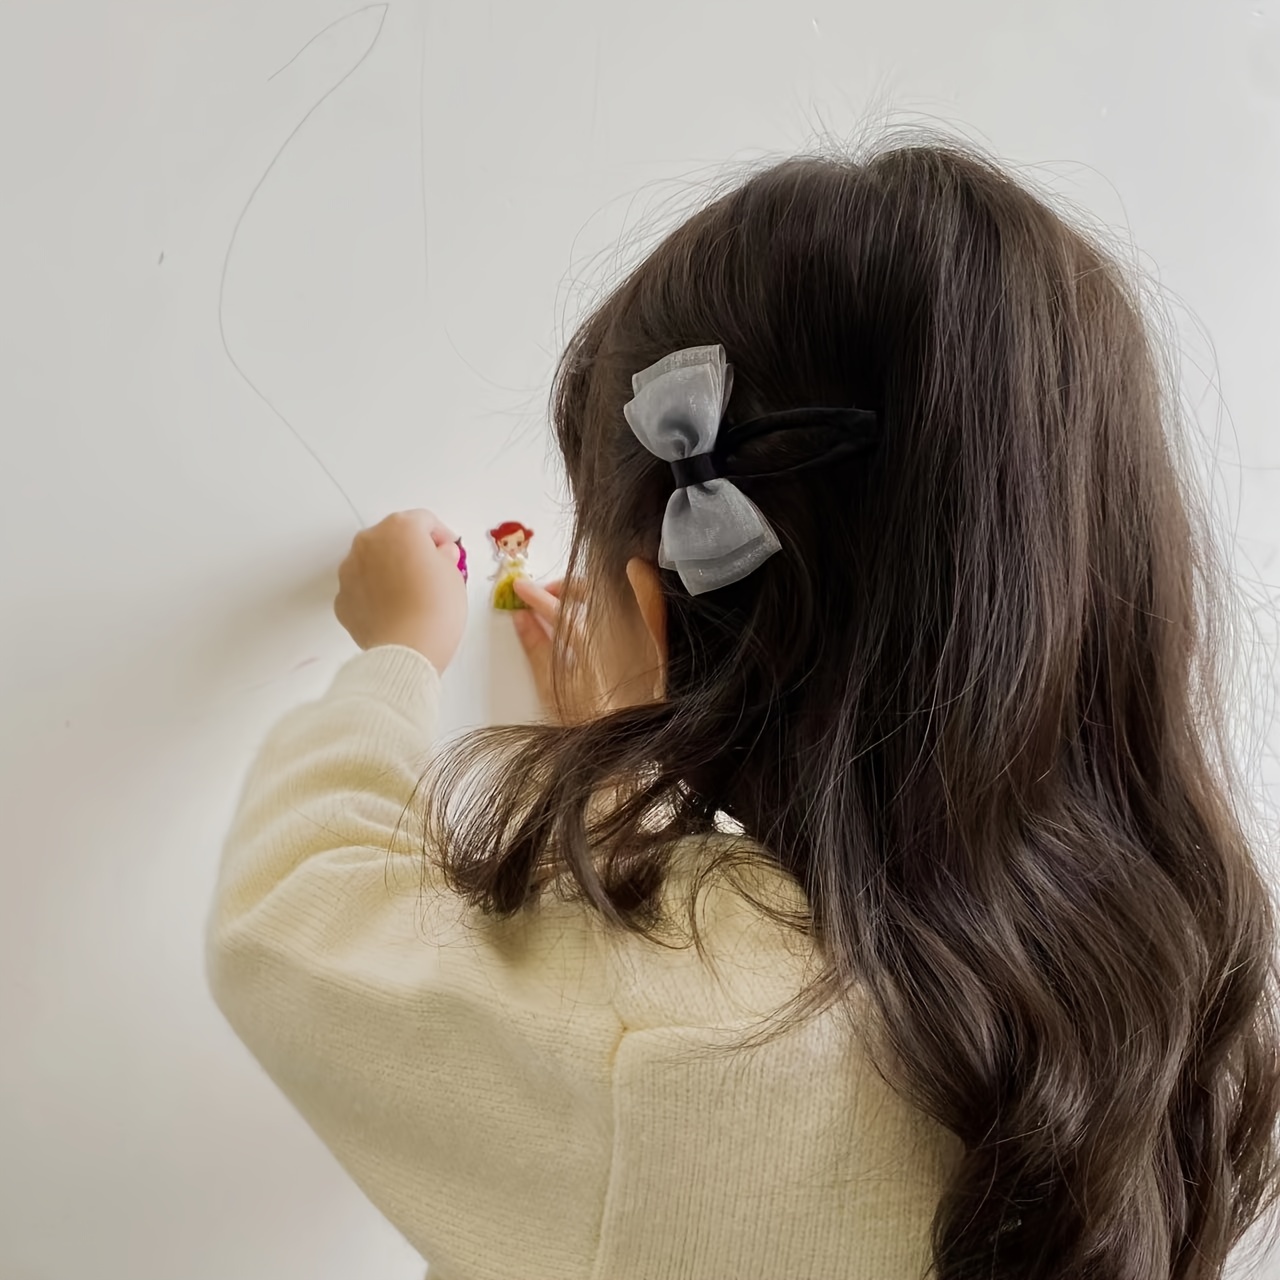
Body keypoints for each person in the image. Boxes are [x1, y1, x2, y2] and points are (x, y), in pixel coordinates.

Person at [205, 140, 1280, 1280]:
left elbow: (288, 920)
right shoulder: (1157, 995)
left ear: (648, 608)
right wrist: (622, 750)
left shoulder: (667, 1034)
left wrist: (395, 658)